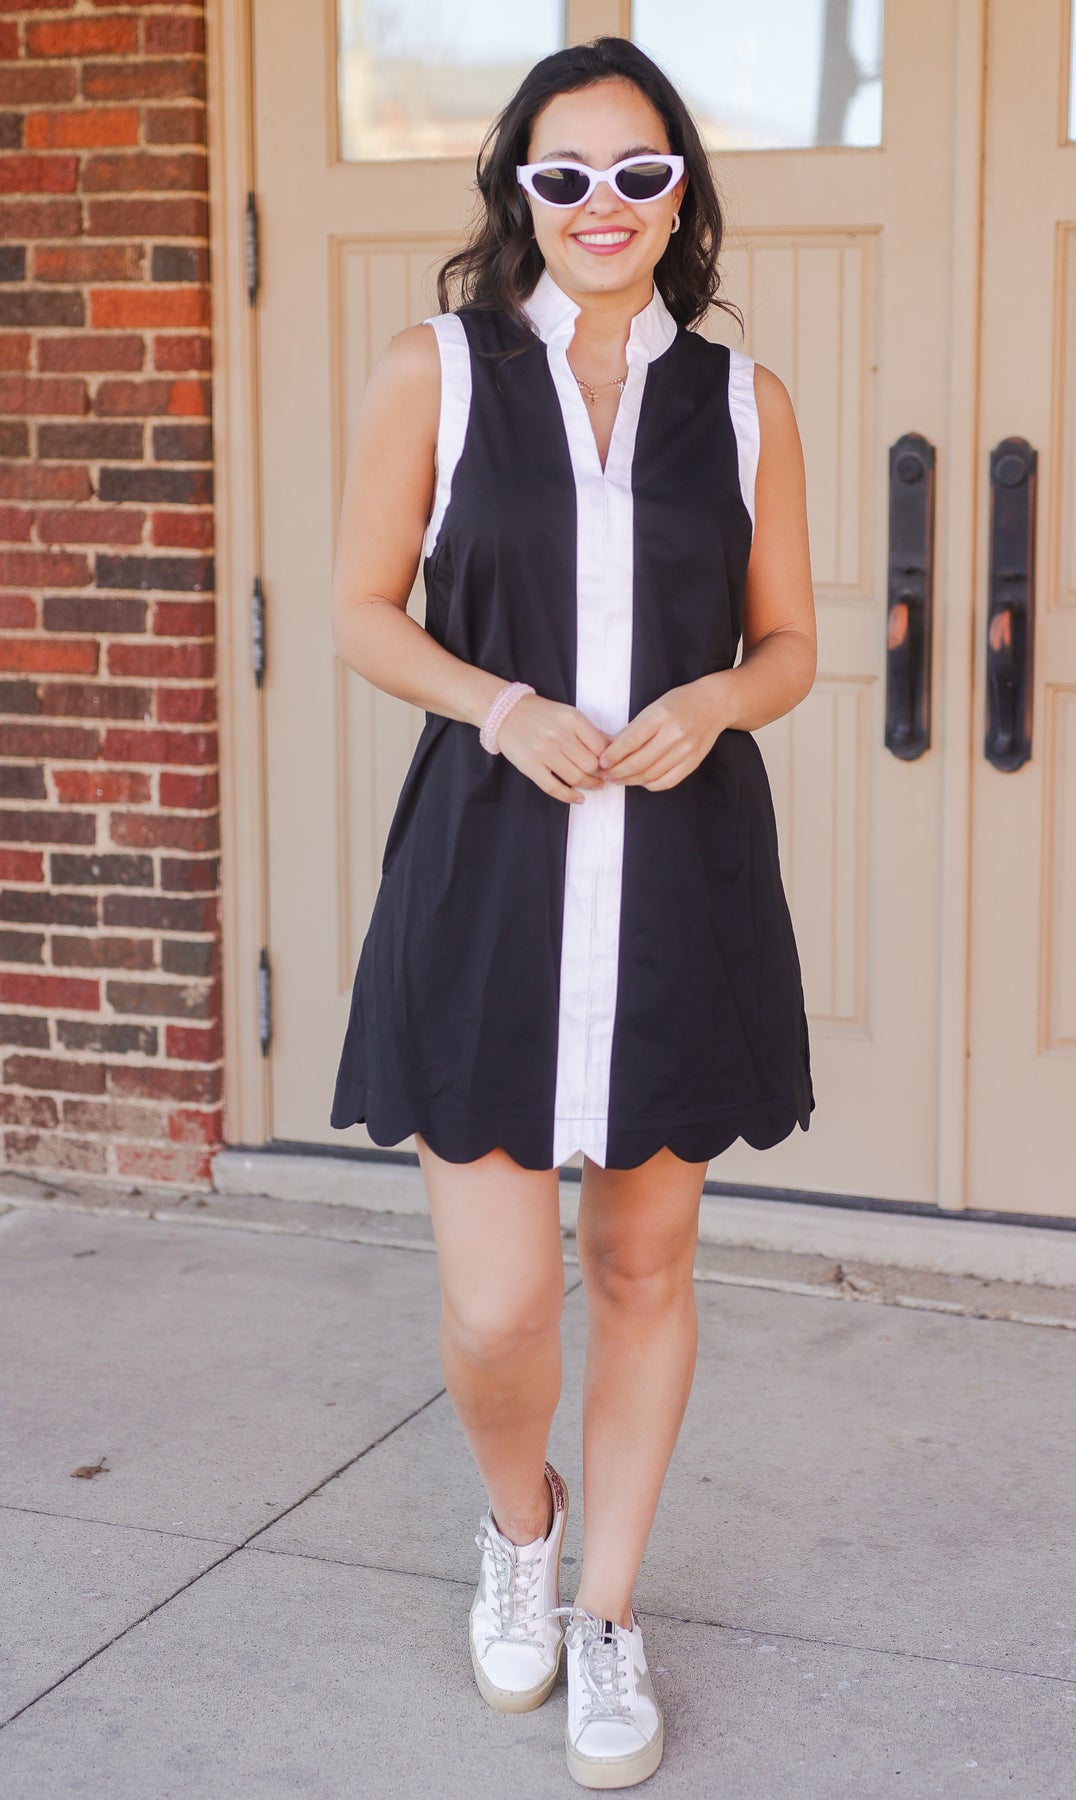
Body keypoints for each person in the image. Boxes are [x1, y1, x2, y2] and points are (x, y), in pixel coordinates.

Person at [328, 35, 817, 1791]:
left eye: (638, 172)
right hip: (486, 875)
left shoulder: (744, 404)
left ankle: (606, 1609)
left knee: (642, 1264)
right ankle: (518, 1529)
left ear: (680, 192)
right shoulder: (438, 372)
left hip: (681, 882)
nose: (602, 204)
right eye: (564, 175)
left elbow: (790, 645)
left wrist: (720, 702)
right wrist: (502, 705)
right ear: (518, 192)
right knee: (498, 1311)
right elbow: (360, 609)